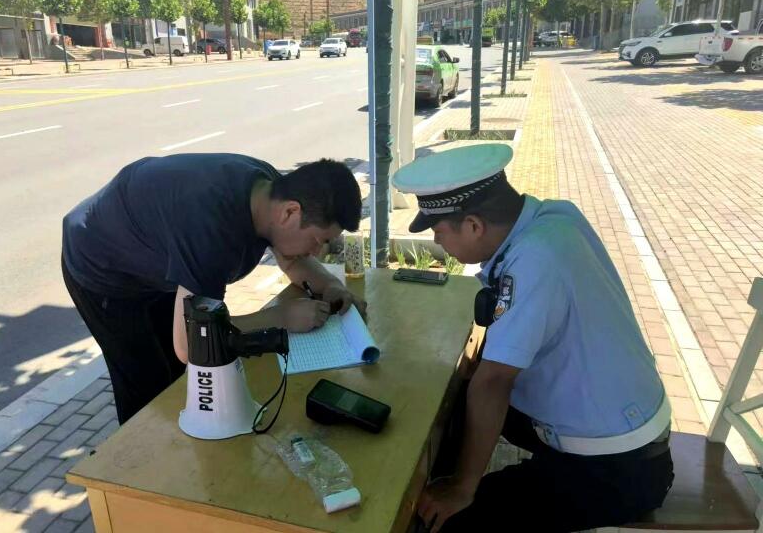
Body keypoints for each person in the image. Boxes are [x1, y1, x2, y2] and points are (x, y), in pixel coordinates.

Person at [391, 144, 673, 532]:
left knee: (449, 521)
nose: (439, 243)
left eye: (439, 232)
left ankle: (449, 488)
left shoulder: (534, 260)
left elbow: (494, 382)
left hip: (618, 469)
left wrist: (463, 487)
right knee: (459, 400)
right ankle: (445, 474)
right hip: (621, 423)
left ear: (473, 226)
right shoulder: (554, 218)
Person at [62, 153, 364, 425]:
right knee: (147, 389)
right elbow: (192, 344)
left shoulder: (272, 191)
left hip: (153, 253)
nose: (318, 252)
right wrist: (281, 317)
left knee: (181, 382)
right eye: (318, 240)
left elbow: (292, 260)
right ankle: (133, 465)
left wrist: (330, 286)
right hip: (102, 267)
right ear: (290, 213)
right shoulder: (210, 230)